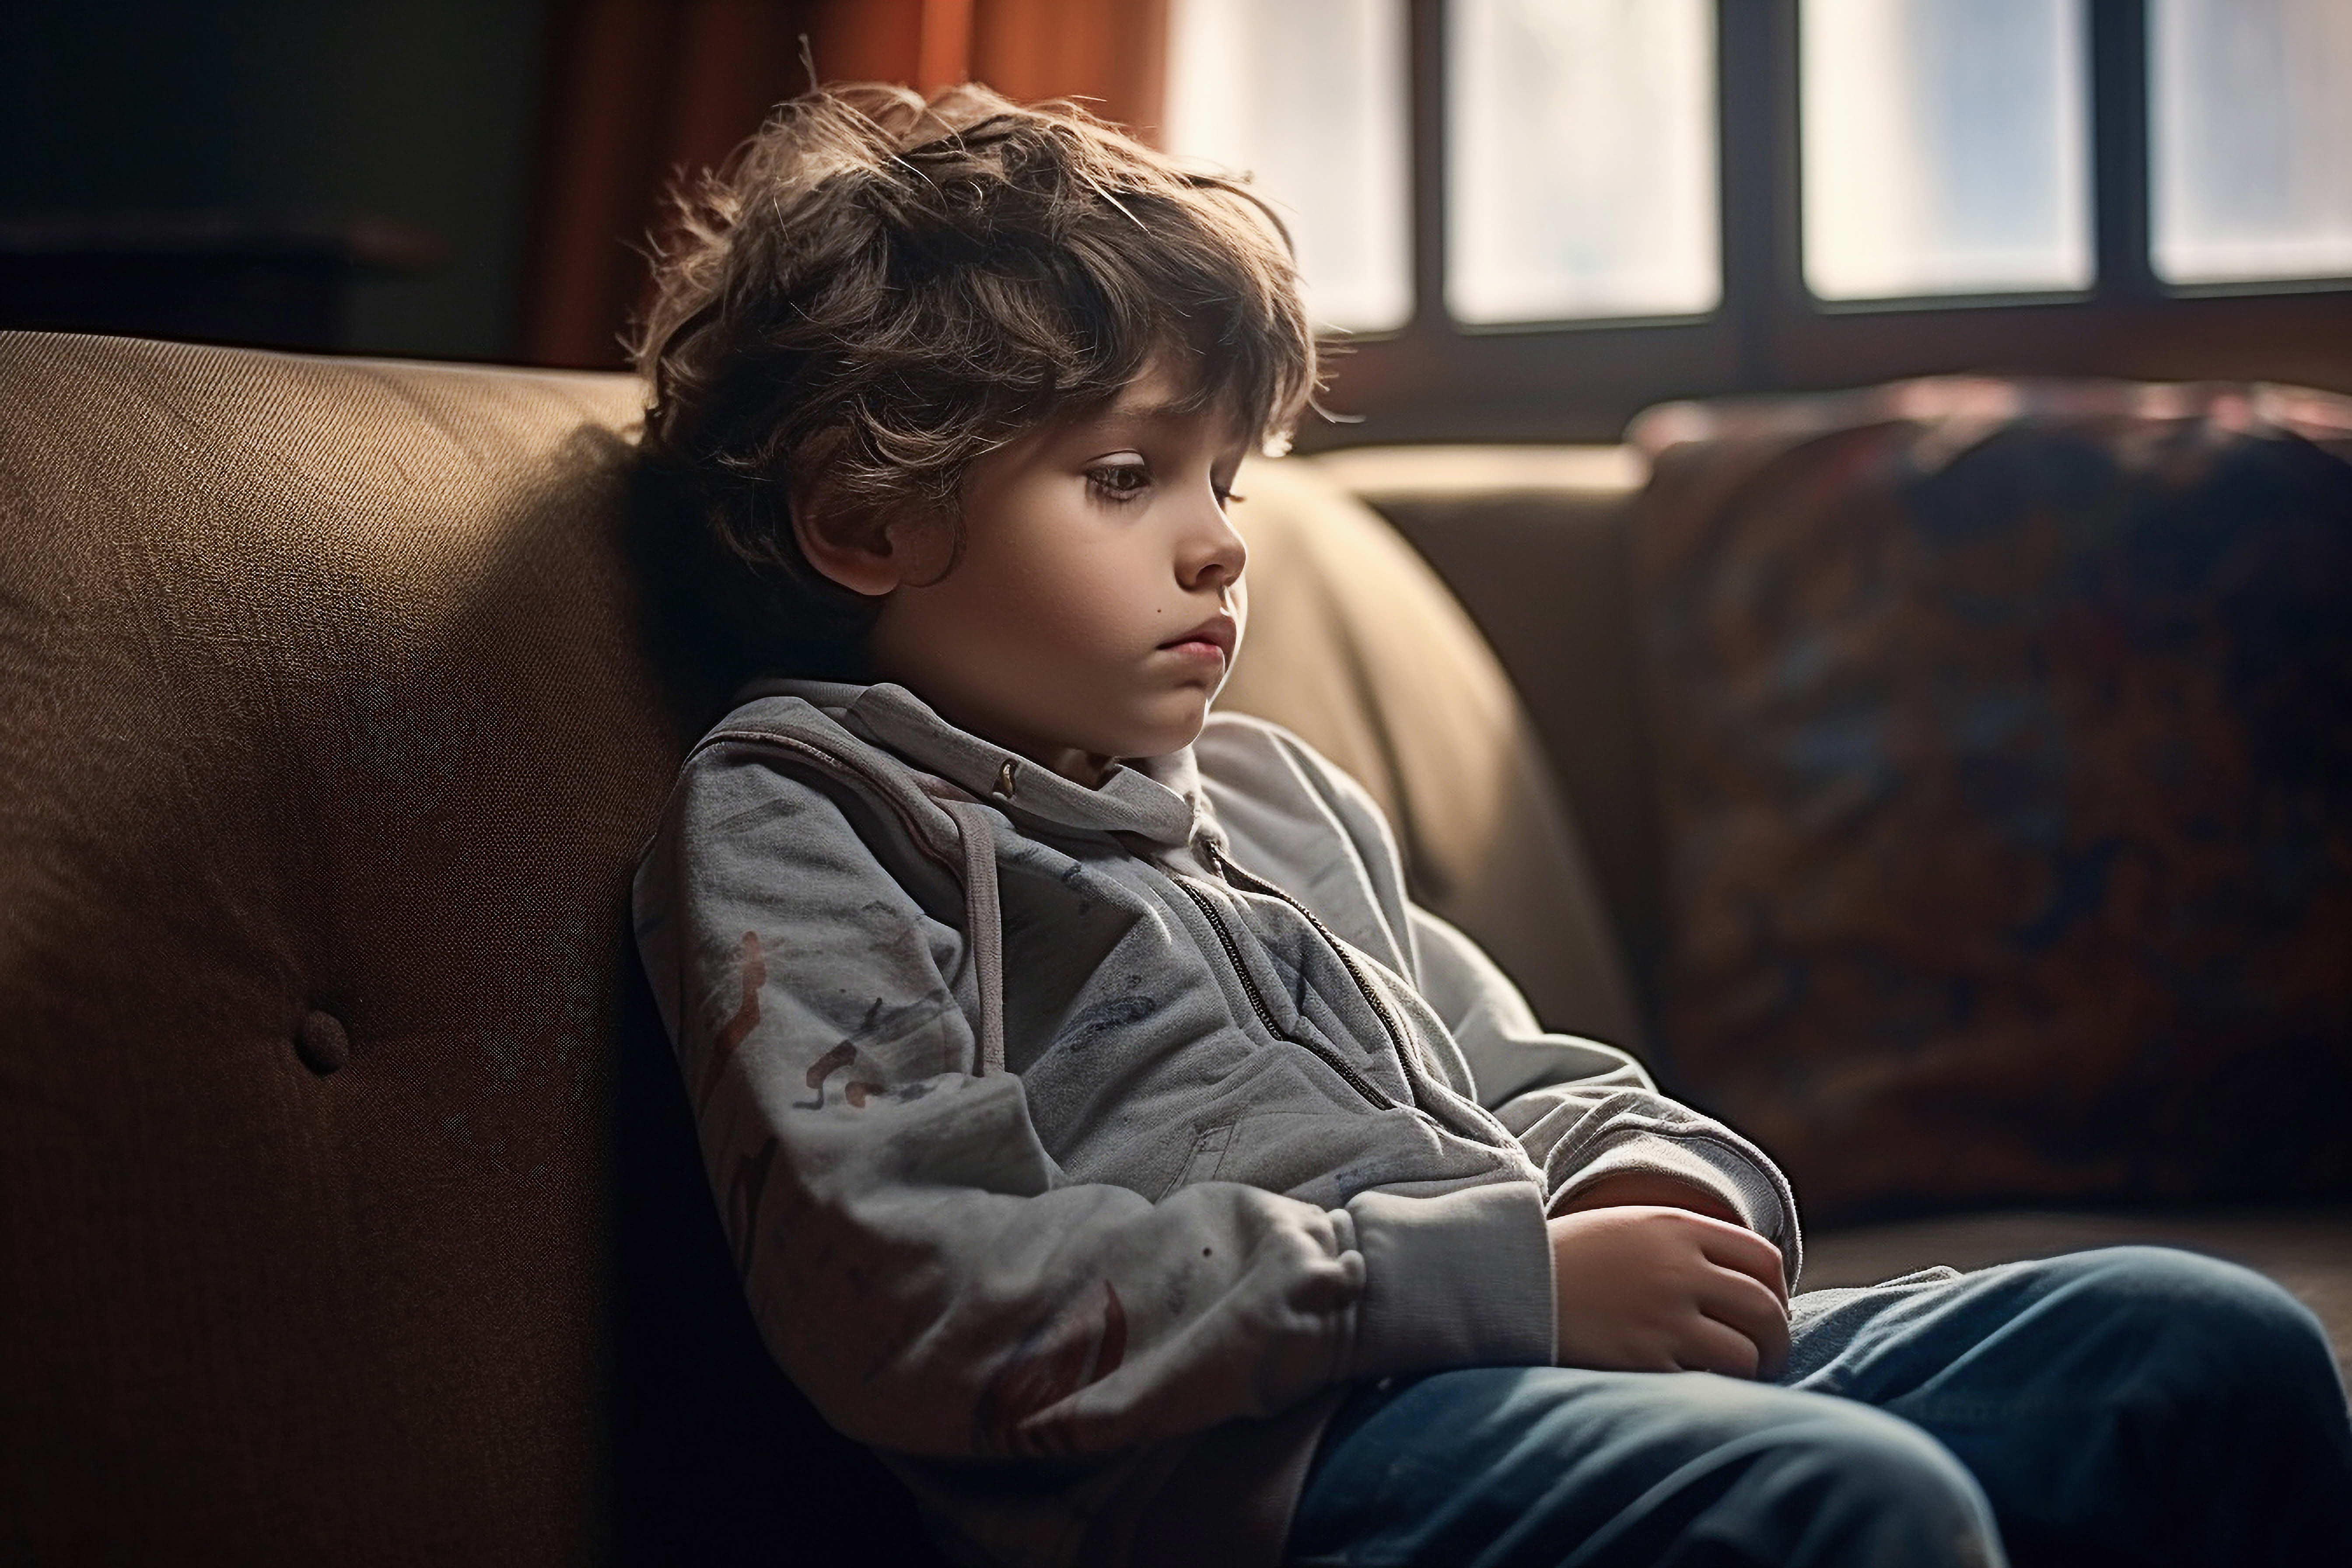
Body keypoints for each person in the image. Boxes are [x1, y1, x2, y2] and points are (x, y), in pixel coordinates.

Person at [626, 81, 2352, 1568]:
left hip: (1525, 1358)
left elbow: (1515, 1072)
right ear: (864, 517)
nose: (1222, 540)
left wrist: (1638, 1172)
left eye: (1226, 476)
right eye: (1126, 475)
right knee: (1849, 1511)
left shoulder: (1270, 795)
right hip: (1265, 1477)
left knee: (2214, 1352)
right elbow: (928, 1291)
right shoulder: (801, 811)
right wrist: (1496, 1282)